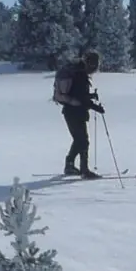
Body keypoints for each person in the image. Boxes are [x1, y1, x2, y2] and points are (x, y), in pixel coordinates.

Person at [52, 50, 105, 178]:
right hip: (75, 112)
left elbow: (79, 95)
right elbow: (81, 99)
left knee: (79, 139)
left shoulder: (77, 73)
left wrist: (91, 97)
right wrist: (96, 107)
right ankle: (84, 170)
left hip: (70, 111)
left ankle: (70, 165)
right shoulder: (80, 75)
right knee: (83, 140)